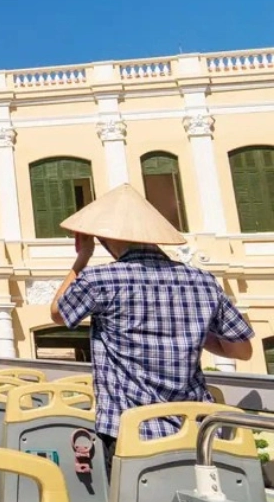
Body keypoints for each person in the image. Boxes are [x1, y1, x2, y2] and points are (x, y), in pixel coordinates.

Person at [49, 183, 254, 478]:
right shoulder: (202, 280)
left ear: (105, 239)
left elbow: (58, 313)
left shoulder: (100, 280)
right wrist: (191, 331)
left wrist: (82, 258)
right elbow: (241, 350)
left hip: (131, 432)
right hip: (195, 427)